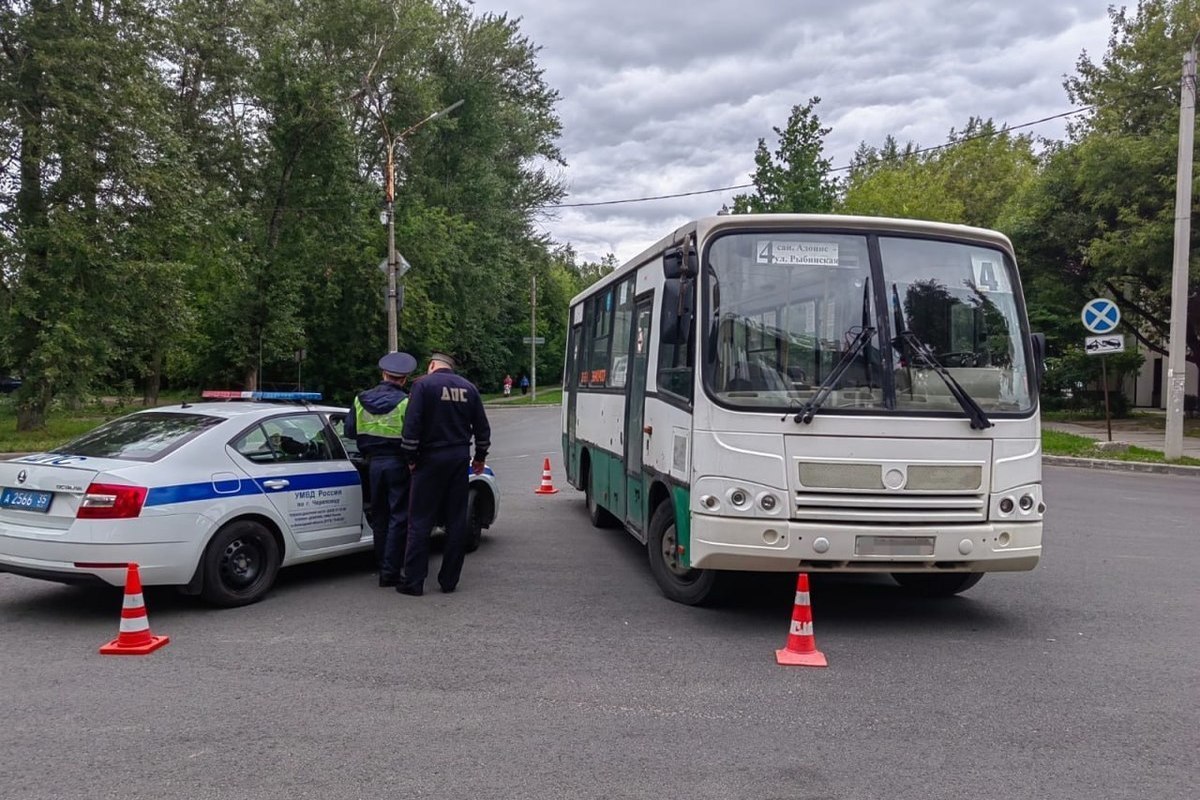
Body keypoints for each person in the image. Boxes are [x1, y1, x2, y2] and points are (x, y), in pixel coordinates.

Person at [398, 352, 491, 596]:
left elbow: (412, 424)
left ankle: (414, 582)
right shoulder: (469, 389)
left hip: (429, 460)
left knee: (419, 521)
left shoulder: (423, 386)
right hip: (459, 459)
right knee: (455, 520)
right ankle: (449, 581)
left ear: (431, 365)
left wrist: (410, 458)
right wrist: (480, 457)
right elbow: (482, 427)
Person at [343, 350, 417, 587]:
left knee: (381, 516)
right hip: (398, 463)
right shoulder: (406, 402)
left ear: (384, 374)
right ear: (404, 379)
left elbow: (349, 432)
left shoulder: (359, 399)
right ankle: (391, 571)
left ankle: (381, 563)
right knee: (399, 516)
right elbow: (413, 434)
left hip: (372, 464)